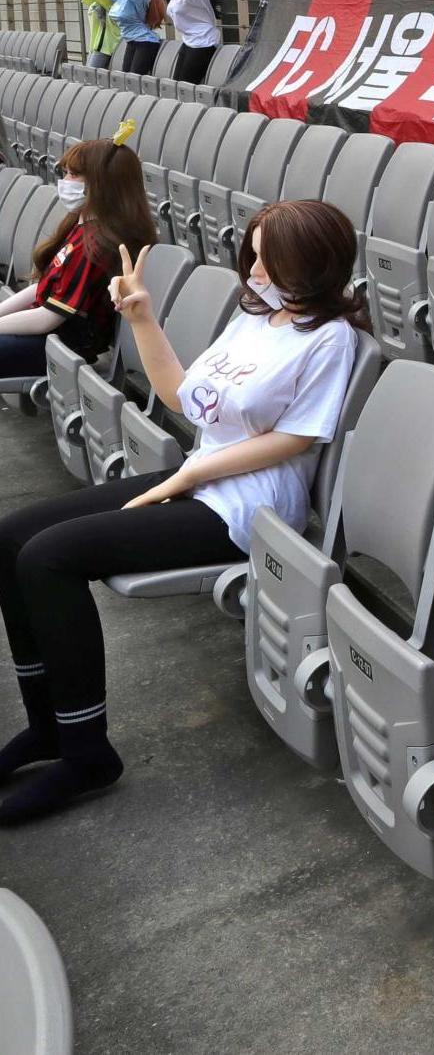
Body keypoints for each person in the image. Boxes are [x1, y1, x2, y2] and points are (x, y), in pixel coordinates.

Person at [0, 200, 364, 824]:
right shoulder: (258, 318)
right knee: (10, 537)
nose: (254, 271)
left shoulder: (330, 338)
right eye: (253, 255)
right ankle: (48, 725)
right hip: (201, 476)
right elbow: (184, 398)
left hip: (251, 502)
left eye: (269, 261)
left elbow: (299, 439)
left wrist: (193, 471)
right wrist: (140, 317)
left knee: (49, 557)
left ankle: (86, 752)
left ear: (311, 266)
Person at [0, 133, 154, 379]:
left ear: (102, 184)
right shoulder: (84, 226)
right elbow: (45, 285)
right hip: (48, 338)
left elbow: (47, 319)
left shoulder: (97, 245)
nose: (65, 181)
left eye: (73, 175)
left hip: (59, 348)